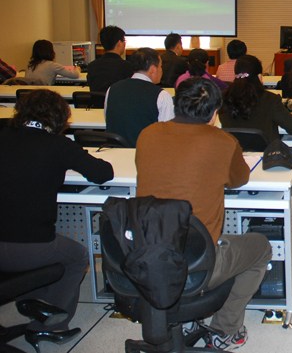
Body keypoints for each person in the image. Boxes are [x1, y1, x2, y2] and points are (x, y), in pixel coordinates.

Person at [135, 78, 272, 351]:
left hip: (145, 258)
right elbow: (239, 179)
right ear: (214, 113)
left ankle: (184, 320)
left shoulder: (147, 134)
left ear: (176, 104)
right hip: (196, 265)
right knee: (260, 248)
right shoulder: (223, 141)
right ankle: (225, 329)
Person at [0, 90, 113, 350]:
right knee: (77, 256)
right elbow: (102, 173)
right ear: (59, 118)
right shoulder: (57, 145)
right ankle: (51, 324)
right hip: (31, 247)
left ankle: (31, 300)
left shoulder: (3, 136)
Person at [219, 55, 292, 144]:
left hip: (234, 150)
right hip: (266, 151)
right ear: (259, 77)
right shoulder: (271, 99)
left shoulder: (223, 98)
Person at [105, 48, 174, 146]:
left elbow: (109, 120)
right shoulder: (162, 96)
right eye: (160, 66)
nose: (161, 70)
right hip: (146, 152)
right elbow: (167, 133)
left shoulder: (112, 89)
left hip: (114, 151)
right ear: (153, 69)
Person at [87, 26, 133, 93]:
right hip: (116, 100)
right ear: (119, 43)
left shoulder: (92, 66)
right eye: (124, 41)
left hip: (97, 100)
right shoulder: (127, 66)